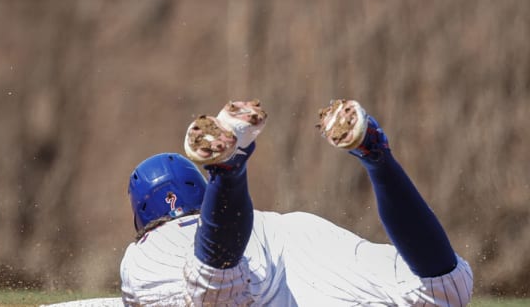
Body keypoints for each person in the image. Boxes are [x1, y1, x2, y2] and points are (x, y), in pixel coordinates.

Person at [44, 98, 473, 307]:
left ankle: (230, 169)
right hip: (287, 249)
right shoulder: (287, 224)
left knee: (215, 291)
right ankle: (377, 155)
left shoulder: (146, 251)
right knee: (446, 288)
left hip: (228, 262)